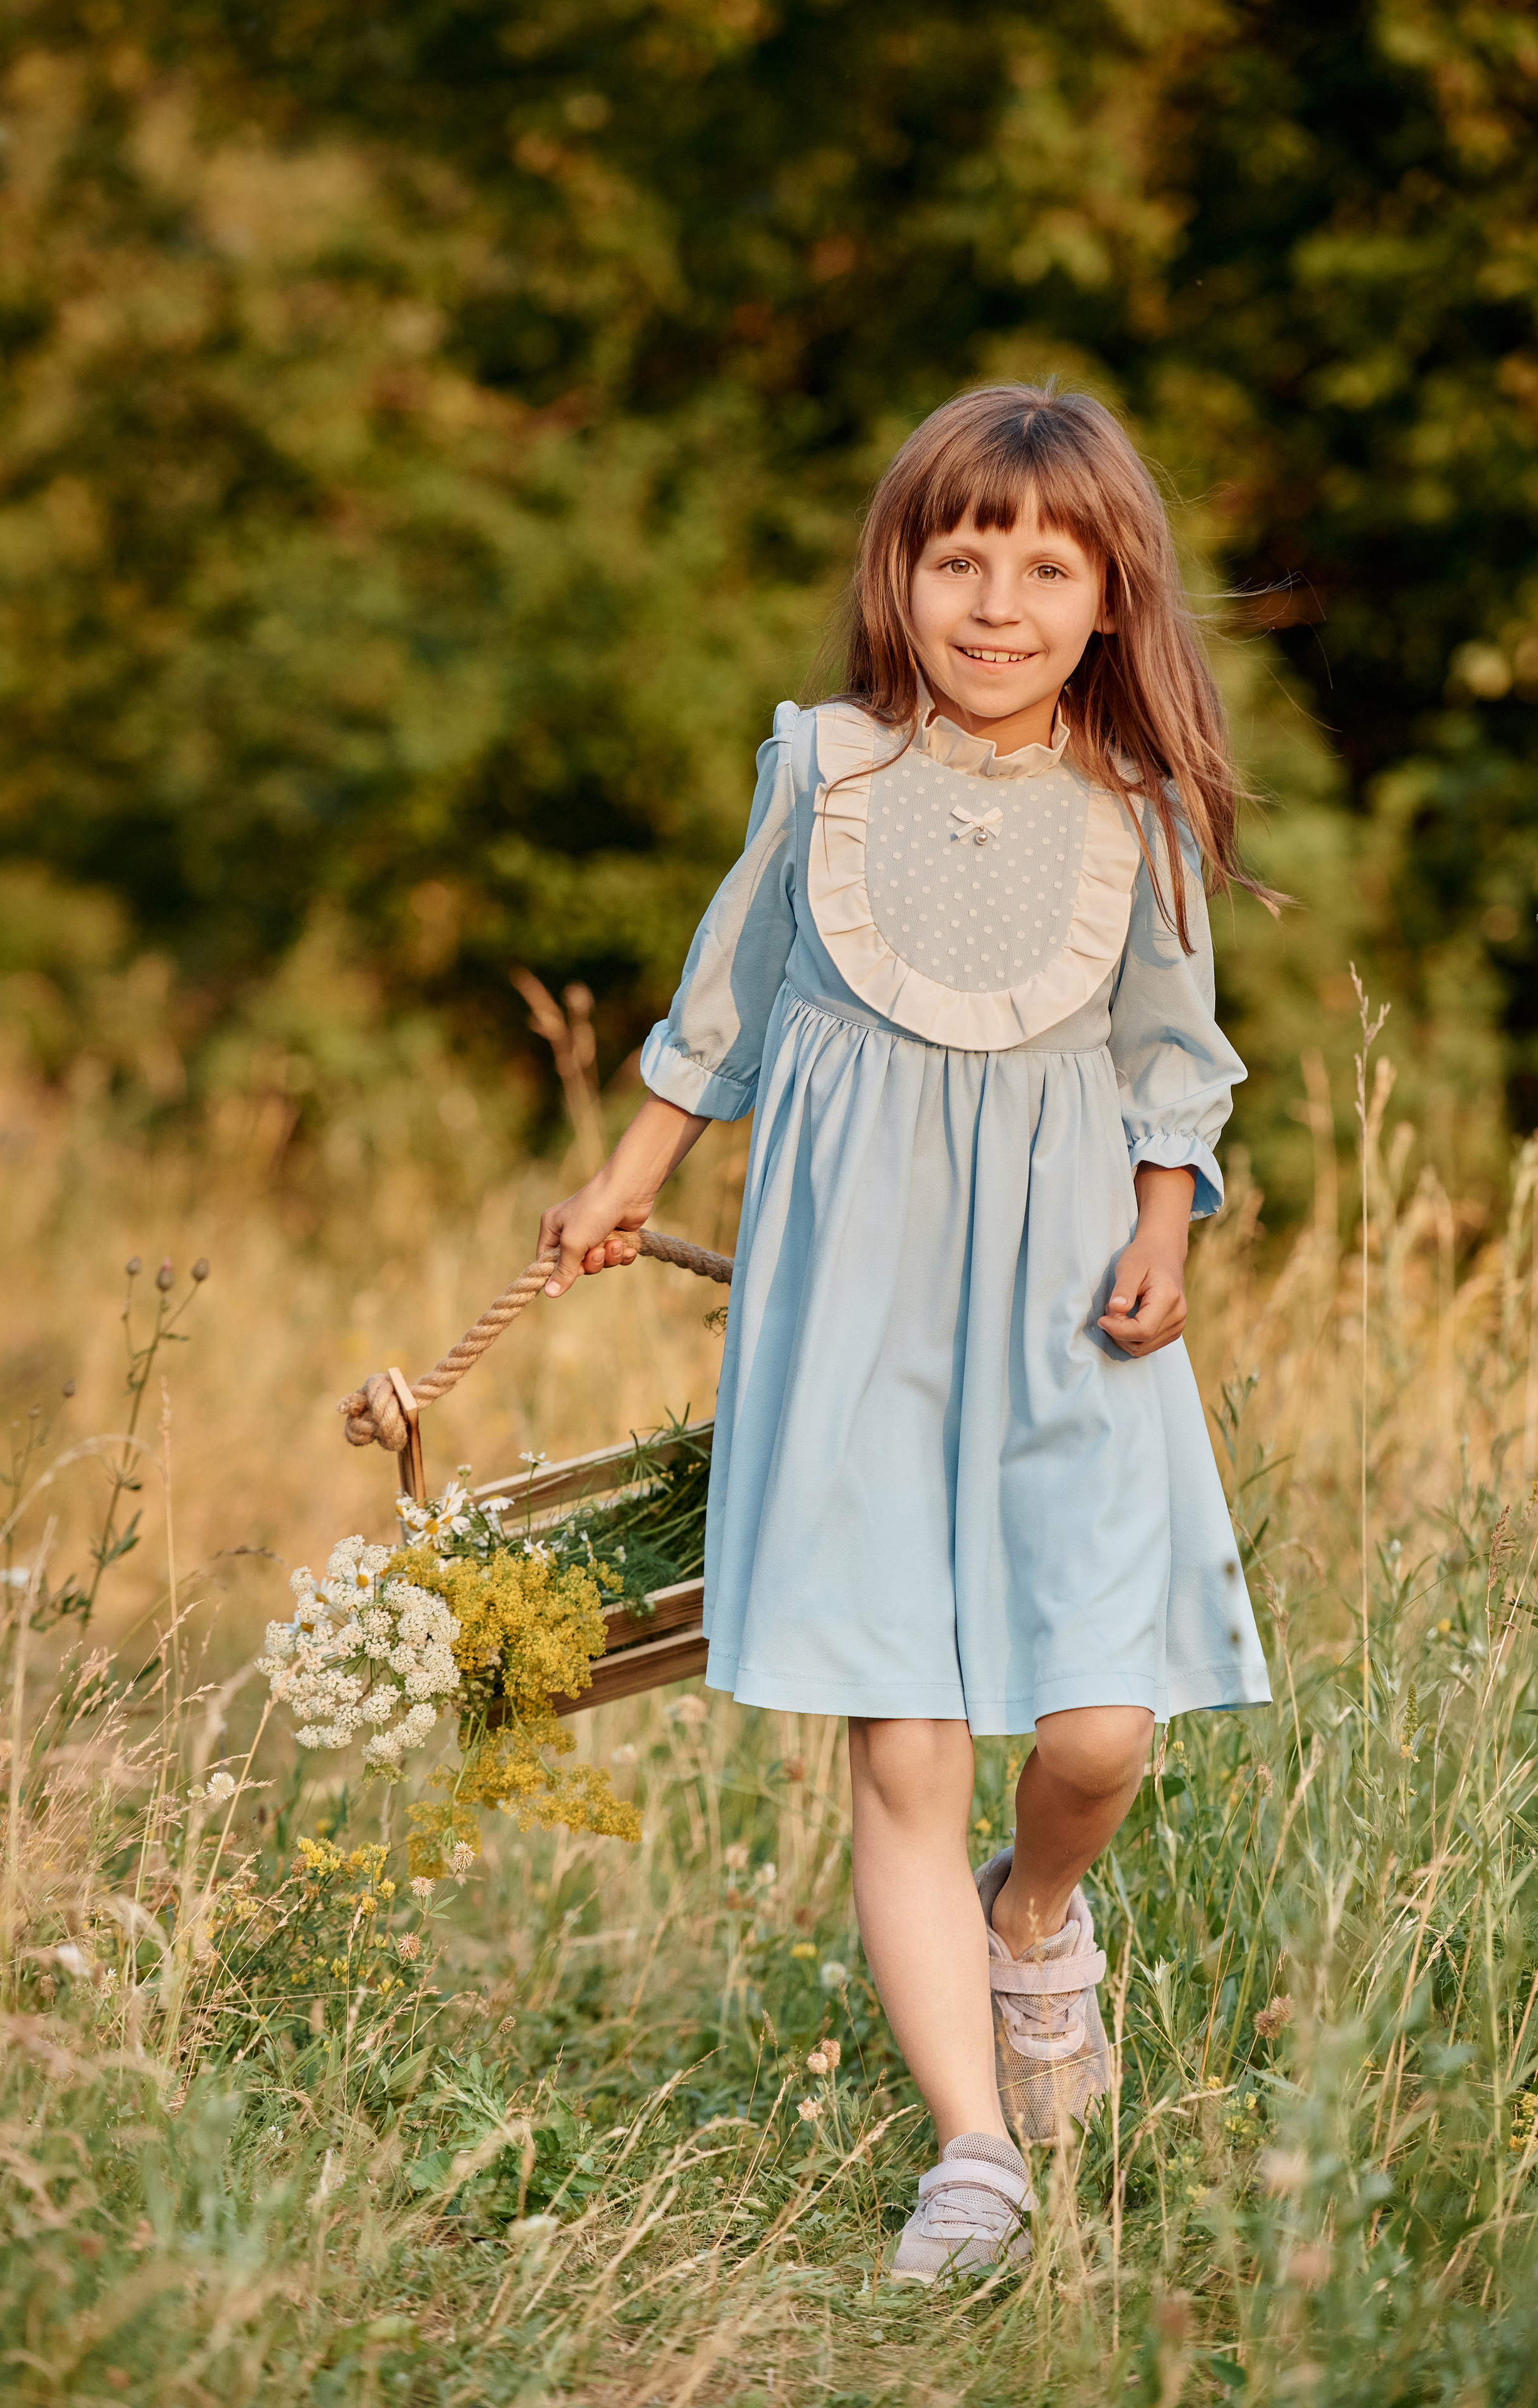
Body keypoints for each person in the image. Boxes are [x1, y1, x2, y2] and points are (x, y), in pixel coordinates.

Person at [536, 384, 1273, 2279]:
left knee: (1102, 1729)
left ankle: (1033, 1919)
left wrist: (1164, 1228)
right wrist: (628, 1177)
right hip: (852, 1310)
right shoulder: (825, 769)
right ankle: (973, 2157)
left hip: (1063, 1322)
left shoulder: (1141, 817)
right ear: (904, 573)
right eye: (962, 559)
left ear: (1113, 598)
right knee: (906, 1739)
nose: (999, 601)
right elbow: (722, 1004)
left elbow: (1176, 1073)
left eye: (1047, 565)